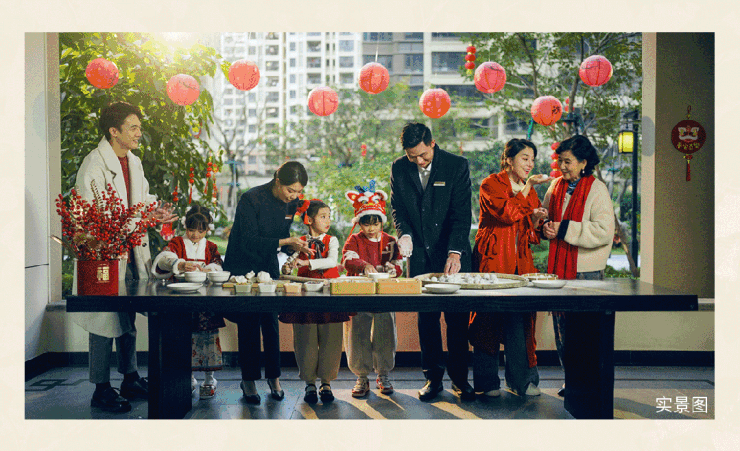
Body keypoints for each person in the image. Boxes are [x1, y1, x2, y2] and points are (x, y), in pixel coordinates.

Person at [72, 101, 177, 413]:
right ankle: (101, 388)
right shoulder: (94, 165)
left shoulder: (134, 162)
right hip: (104, 255)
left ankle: (130, 377)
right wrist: (138, 218)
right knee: (103, 321)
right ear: (113, 131)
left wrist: (154, 210)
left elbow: (139, 199)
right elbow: (92, 215)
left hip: (131, 252)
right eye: (133, 127)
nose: (139, 133)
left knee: (127, 318)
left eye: (139, 127)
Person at [390, 122, 475, 401]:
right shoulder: (398, 168)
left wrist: (455, 252)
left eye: (423, 155)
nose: (418, 161)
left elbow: (461, 215)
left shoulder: (456, 165)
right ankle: (433, 379)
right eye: (412, 156)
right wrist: (404, 235)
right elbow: (398, 209)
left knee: (457, 319)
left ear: (433, 143)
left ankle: (460, 379)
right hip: (420, 255)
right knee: (427, 319)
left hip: (452, 253)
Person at [222, 161, 312, 404]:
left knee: (271, 323)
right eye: (290, 190)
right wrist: (286, 241)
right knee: (249, 323)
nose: (293, 196)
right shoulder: (251, 199)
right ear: (277, 180)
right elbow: (249, 239)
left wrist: (295, 246)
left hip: (267, 265)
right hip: (242, 265)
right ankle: (249, 380)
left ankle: (274, 377)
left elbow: (279, 238)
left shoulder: (291, 203)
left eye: (298, 192)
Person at [469, 139, 551, 398]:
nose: (530, 164)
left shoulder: (528, 189)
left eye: (532, 159)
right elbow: (506, 214)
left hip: (521, 262)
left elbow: (529, 229)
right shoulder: (490, 184)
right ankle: (486, 382)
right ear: (508, 159)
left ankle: (521, 381)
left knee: (521, 321)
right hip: (493, 259)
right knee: (487, 319)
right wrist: (528, 188)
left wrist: (537, 221)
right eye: (525, 158)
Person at [541, 135, 615, 397]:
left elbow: (604, 231)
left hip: (586, 271)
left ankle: (588, 383)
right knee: (562, 330)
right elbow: (546, 217)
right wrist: (545, 226)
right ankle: (571, 379)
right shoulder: (556, 186)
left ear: (584, 162)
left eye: (568, 161)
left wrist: (563, 228)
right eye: (560, 161)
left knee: (586, 332)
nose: (562, 166)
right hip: (560, 268)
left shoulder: (597, 189)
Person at [279, 199, 351, 404]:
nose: (328, 220)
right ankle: (309, 382)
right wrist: (288, 266)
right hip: (305, 295)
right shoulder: (299, 242)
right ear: (309, 220)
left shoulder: (332, 240)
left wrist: (306, 262)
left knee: (332, 337)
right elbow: (290, 264)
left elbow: (331, 261)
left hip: (330, 294)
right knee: (305, 338)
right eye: (323, 216)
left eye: (329, 216)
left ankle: (326, 382)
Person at [151, 205, 225, 399]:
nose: (195, 235)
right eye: (192, 230)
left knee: (207, 338)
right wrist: (180, 264)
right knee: (184, 338)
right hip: (181, 298)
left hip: (205, 301)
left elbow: (218, 263)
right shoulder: (177, 243)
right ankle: (188, 378)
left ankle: (209, 379)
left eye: (201, 231)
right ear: (186, 227)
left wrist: (210, 269)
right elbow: (164, 258)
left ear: (207, 230)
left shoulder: (211, 247)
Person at [341, 182, 402, 397]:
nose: (371, 228)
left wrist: (393, 269)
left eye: (375, 223)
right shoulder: (354, 240)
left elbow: (399, 264)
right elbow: (347, 260)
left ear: (382, 222)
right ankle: (361, 376)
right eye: (366, 224)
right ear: (359, 223)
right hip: (359, 293)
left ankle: (383, 374)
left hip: (384, 293)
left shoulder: (390, 241)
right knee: (357, 333)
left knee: (386, 332)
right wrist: (363, 265)